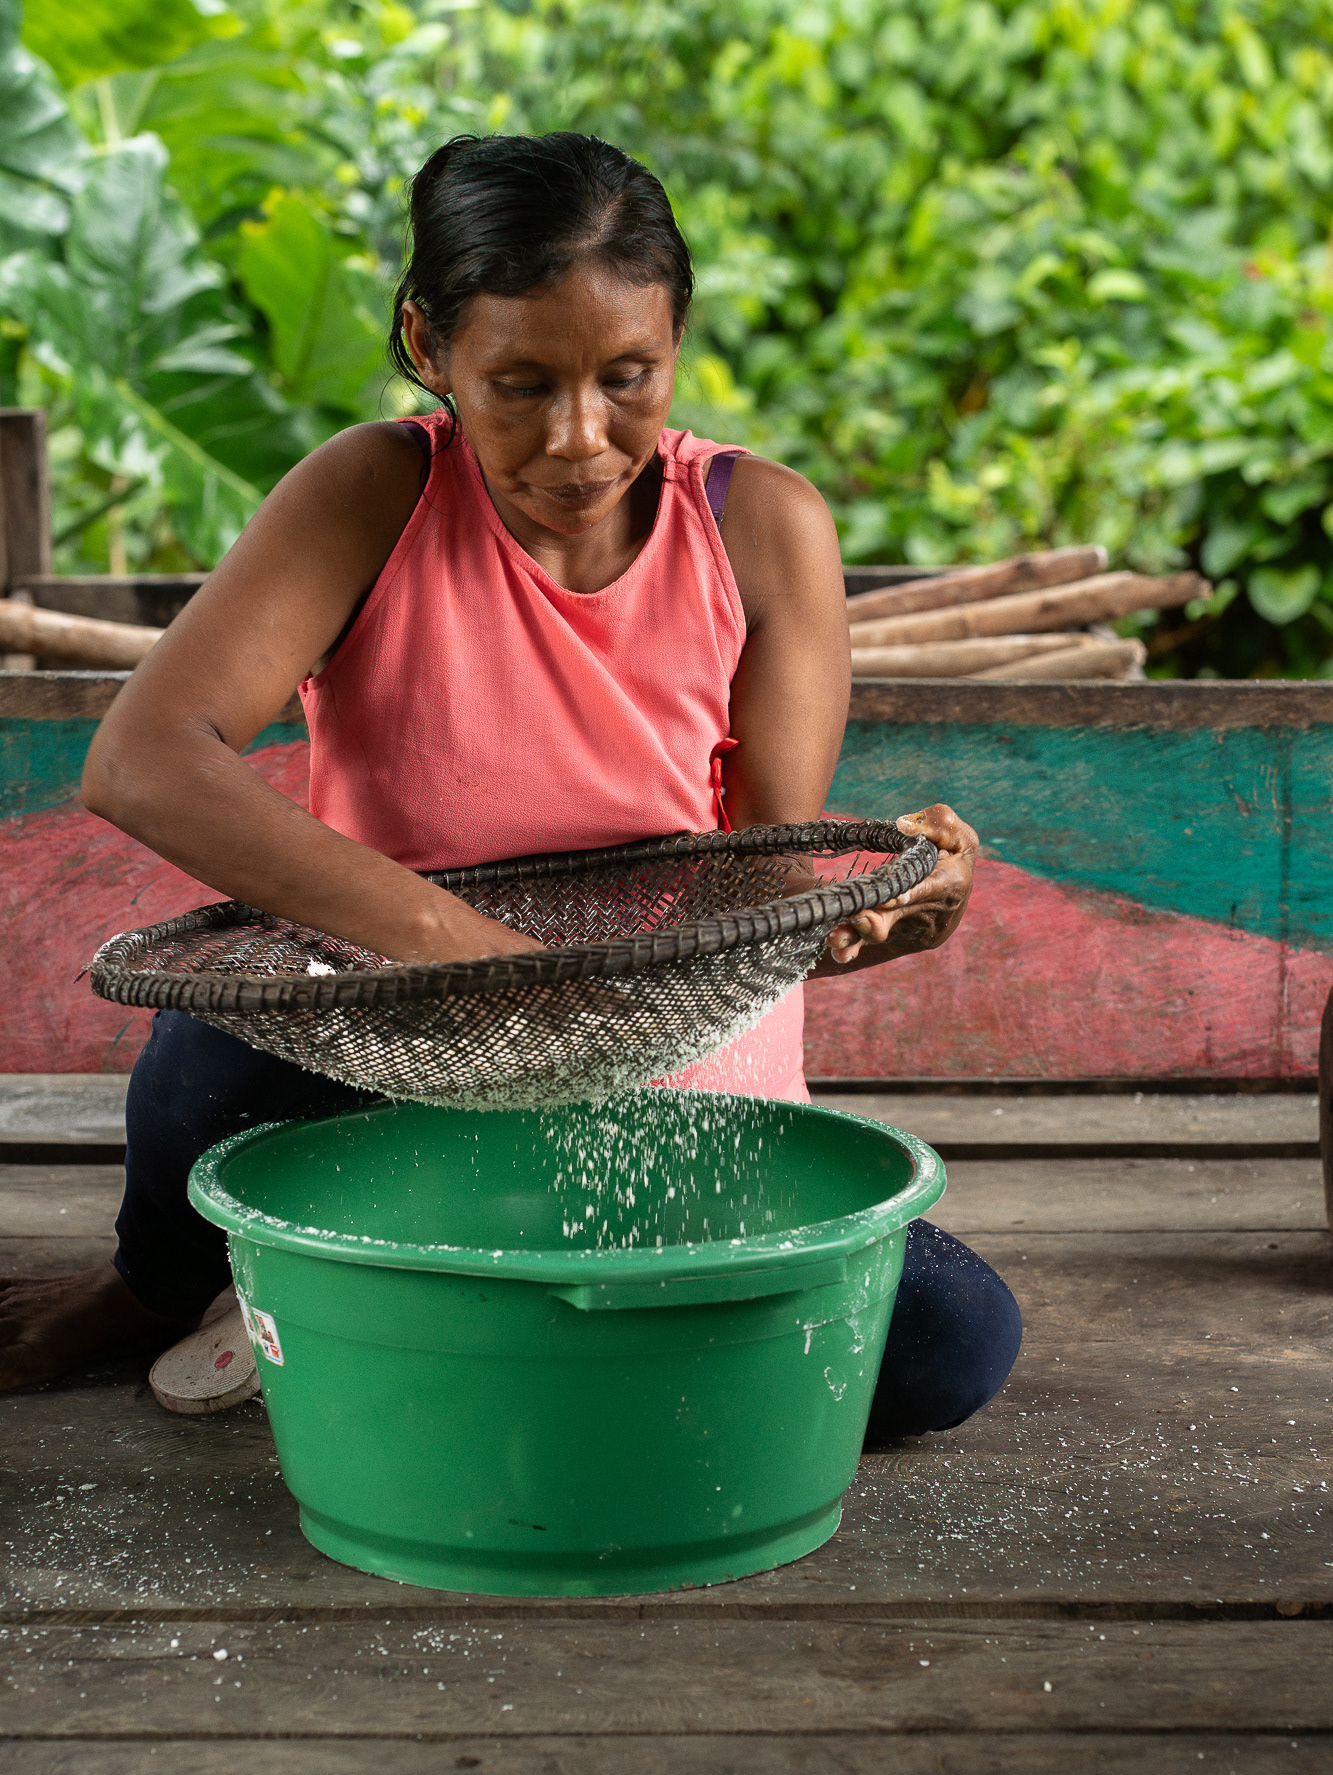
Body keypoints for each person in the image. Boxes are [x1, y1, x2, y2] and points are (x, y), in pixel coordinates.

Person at [0, 132, 1020, 1441]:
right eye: (520, 384)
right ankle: (158, 1289)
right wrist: (477, 965)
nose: (580, 439)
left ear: (676, 338)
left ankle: (343, 1302)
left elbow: (763, 864)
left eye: (627, 378)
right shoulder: (374, 493)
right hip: (397, 1040)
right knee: (214, 1045)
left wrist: (869, 908)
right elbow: (144, 759)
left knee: (947, 1348)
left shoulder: (762, 526)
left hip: (652, 1066)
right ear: (428, 346)